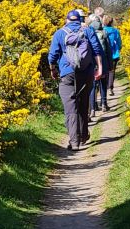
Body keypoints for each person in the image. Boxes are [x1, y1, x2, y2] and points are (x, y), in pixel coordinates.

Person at [48, 9, 104, 151]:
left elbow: (53, 55)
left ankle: (74, 141)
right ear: (79, 19)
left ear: (67, 20)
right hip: (86, 72)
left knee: (70, 107)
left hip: (67, 73)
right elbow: (97, 50)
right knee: (83, 103)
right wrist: (100, 68)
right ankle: (83, 135)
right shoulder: (88, 30)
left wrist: (53, 69)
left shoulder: (60, 33)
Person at [87, 12, 111, 115]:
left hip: (92, 63)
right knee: (103, 84)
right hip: (103, 61)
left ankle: (92, 108)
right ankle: (104, 104)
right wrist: (110, 65)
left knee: (93, 86)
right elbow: (109, 51)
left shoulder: (86, 33)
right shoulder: (104, 33)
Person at [103, 15, 122, 94]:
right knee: (112, 71)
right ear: (111, 22)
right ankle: (110, 87)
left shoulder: (102, 30)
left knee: (105, 70)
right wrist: (118, 48)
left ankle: (105, 87)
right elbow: (119, 43)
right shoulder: (116, 31)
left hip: (104, 54)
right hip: (114, 54)